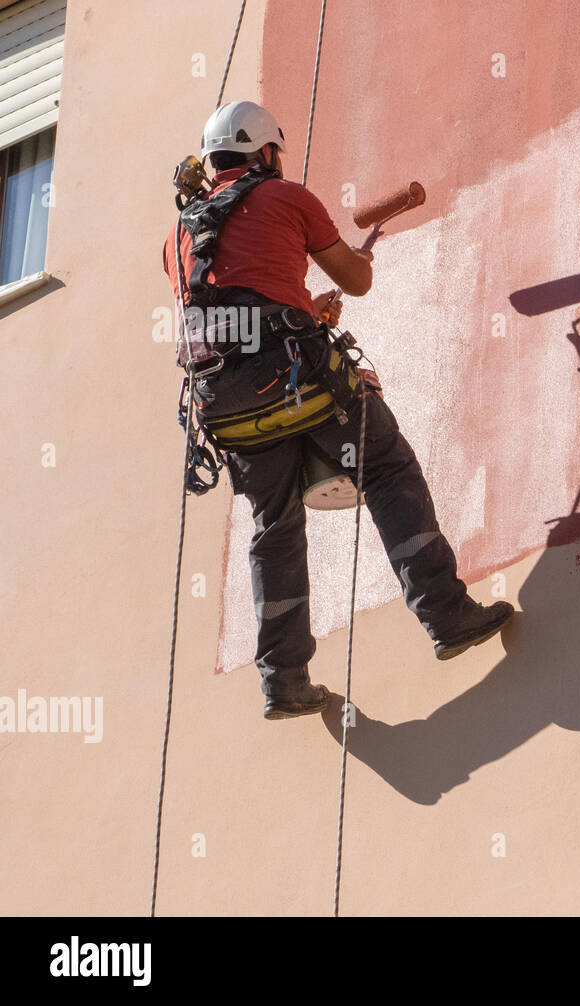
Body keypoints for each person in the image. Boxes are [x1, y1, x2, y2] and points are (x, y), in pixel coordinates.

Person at [163, 100, 513, 720]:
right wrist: (348, 274)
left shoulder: (178, 235)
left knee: (273, 524)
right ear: (266, 152)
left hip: (227, 406)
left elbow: (242, 306)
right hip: (297, 382)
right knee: (383, 467)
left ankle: (284, 679)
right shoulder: (286, 197)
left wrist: (302, 307)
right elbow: (355, 281)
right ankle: (446, 613)